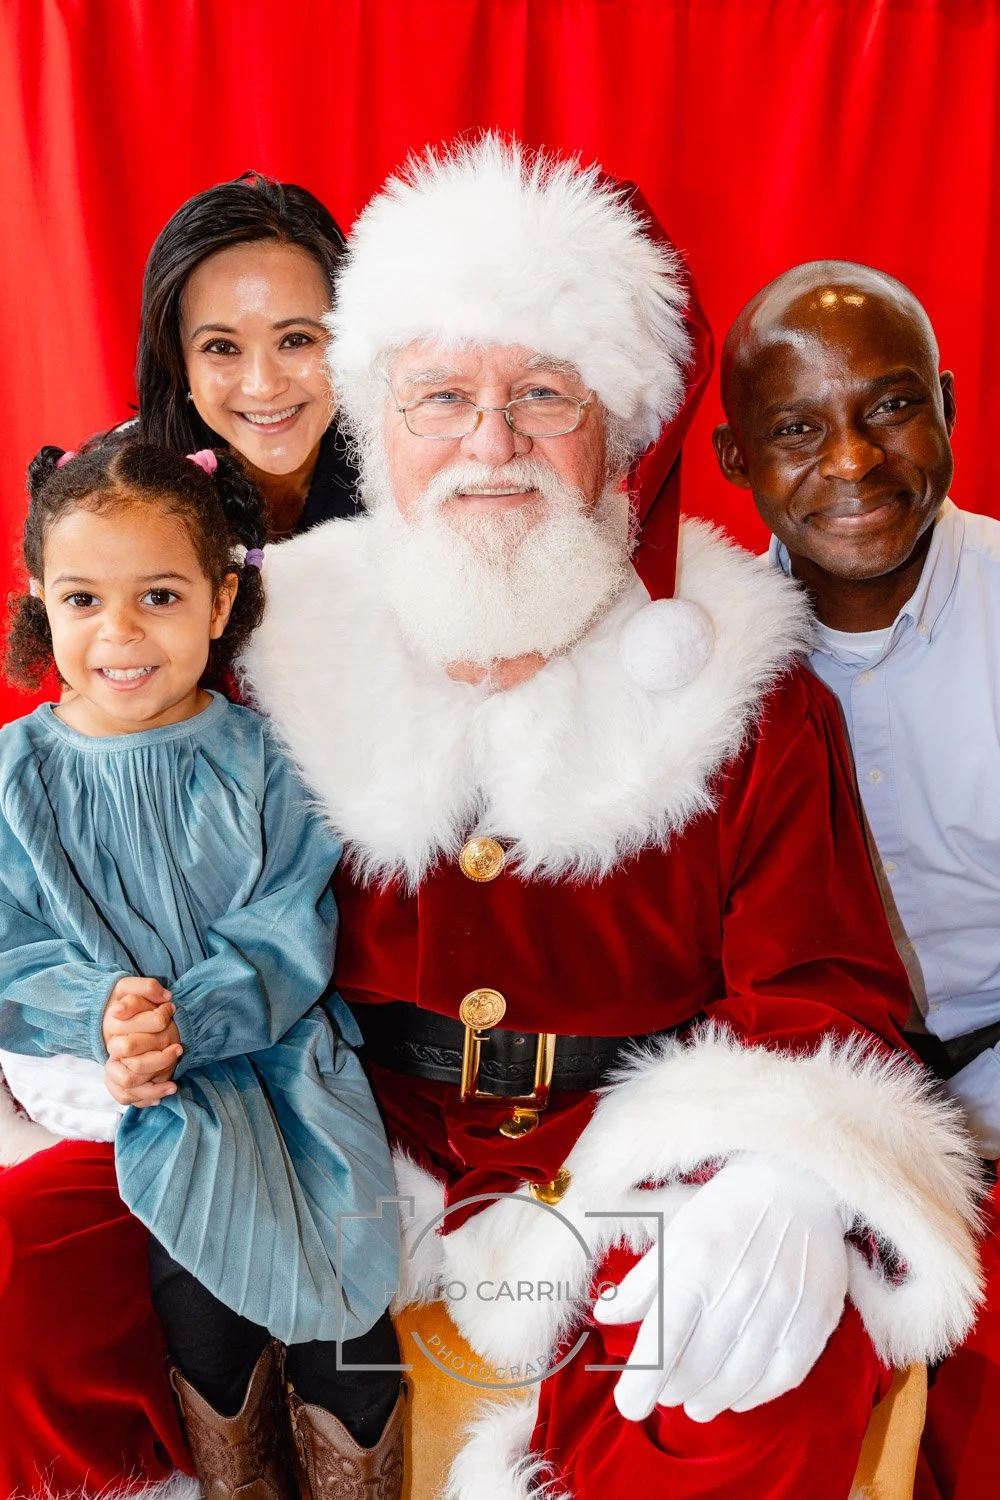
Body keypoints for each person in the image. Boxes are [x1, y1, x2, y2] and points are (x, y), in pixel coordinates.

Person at [240, 136, 983, 1500]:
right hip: (332, 1147)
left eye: (542, 395)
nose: (490, 442)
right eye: (442, 396)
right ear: (376, 423)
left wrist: (786, 1170)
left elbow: (823, 989)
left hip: (629, 1181)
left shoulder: (747, 689)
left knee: (752, 1384)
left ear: (623, 430)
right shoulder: (278, 637)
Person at [0, 438, 401, 1499]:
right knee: (208, 1328)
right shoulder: (16, 777)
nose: (120, 634)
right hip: (144, 1101)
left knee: (352, 1335)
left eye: (160, 596)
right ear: (40, 595)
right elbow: (10, 949)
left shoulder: (269, 759)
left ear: (223, 600)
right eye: (83, 598)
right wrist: (104, 1014)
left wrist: (189, 1017)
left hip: (289, 1082)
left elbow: (288, 927)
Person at [712, 260, 1000, 1500]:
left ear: (944, 403)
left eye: (887, 407)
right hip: (800, 1107)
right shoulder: (698, 662)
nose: (849, 461)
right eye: (794, 428)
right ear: (732, 458)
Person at [136, 170, 361, 536]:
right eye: (222, 347)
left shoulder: (417, 479)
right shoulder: (112, 499)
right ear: (177, 361)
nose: (264, 386)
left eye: (296, 339)